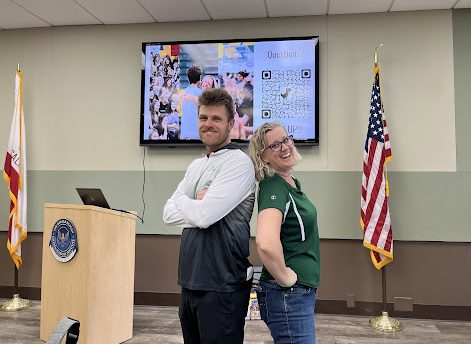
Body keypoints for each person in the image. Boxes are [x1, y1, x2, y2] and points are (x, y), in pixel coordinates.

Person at [163, 88, 256, 344]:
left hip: (222, 284)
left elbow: (204, 217)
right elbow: (167, 214)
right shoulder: (196, 165)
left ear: (230, 123)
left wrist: (185, 203)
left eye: (216, 118)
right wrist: (193, 202)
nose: (208, 124)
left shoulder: (238, 163)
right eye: (204, 118)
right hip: (190, 280)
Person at [248, 122, 320, 344]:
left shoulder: (291, 183)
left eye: (286, 139)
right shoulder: (273, 185)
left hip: (298, 293)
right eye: (275, 145)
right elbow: (266, 242)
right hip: (288, 294)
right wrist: (286, 279)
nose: (284, 146)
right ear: (264, 157)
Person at [180, 65, 203, 139]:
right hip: (196, 134)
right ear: (200, 78)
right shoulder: (201, 93)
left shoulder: (184, 92)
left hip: (184, 133)